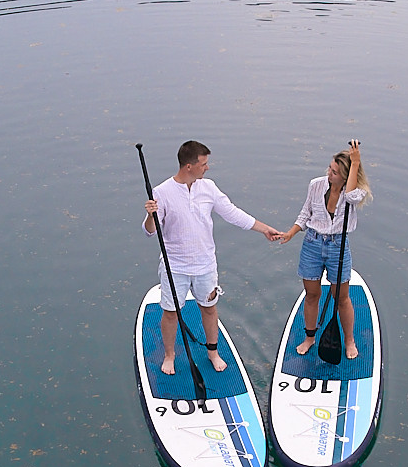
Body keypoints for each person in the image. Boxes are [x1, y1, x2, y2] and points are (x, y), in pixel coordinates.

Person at [143, 140, 284, 375]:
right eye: (204, 164)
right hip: (174, 266)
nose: (207, 168)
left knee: (209, 308)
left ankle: (213, 352)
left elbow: (233, 213)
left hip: (205, 265)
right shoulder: (162, 192)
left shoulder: (208, 187)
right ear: (189, 166)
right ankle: (169, 355)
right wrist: (150, 215)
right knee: (171, 313)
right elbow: (150, 231)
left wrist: (264, 229)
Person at [277, 141, 369, 358]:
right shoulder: (316, 185)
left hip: (338, 246)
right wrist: (291, 232)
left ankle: (349, 340)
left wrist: (355, 162)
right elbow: (305, 213)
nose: (329, 173)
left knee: (341, 298)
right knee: (312, 294)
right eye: (329, 168)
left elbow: (351, 197)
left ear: (346, 176)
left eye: (335, 172)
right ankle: (310, 337)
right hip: (312, 243)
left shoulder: (355, 192)